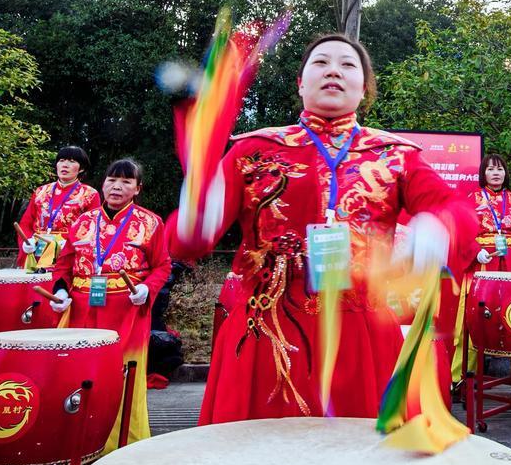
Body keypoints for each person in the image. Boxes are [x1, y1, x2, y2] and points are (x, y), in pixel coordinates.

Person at [171, 32, 478, 423]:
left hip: (362, 336)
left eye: (347, 64)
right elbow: (186, 243)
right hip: (266, 333)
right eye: (321, 62)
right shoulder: (254, 150)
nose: (333, 70)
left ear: (364, 87)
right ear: (300, 83)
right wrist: (197, 214)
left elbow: (458, 212)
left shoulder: (396, 156)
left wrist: (437, 228)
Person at [29, 159, 171, 465]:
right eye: (111, 180)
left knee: (120, 385)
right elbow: (62, 267)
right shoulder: (81, 222)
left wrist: (147, 289)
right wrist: (61, 291)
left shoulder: (151, 223)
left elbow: (162, 266)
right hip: (79, 312)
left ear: (138, 188)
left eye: (125, 181)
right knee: (68, 385)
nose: (116, 186)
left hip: (126, 313)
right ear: (103, 184)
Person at [454, 153, 511, 387]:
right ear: (483, 174)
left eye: (500, 169)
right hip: (482, 265)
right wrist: (474, 251)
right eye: (491, 169)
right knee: (473, 322)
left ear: (505, 173)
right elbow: (462, 232)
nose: (495, 173)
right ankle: (459, 380)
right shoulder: (471, 198)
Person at [15, 146, 100, 268]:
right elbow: (26, 223)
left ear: (81, 168)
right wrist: (26, 241)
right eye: (61, 160)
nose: (65, 165)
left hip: (67, 255)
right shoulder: (41, 191)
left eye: (71, 161)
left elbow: (92, 229)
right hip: (35, 252)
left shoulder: (90, 194)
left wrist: (70, 244)